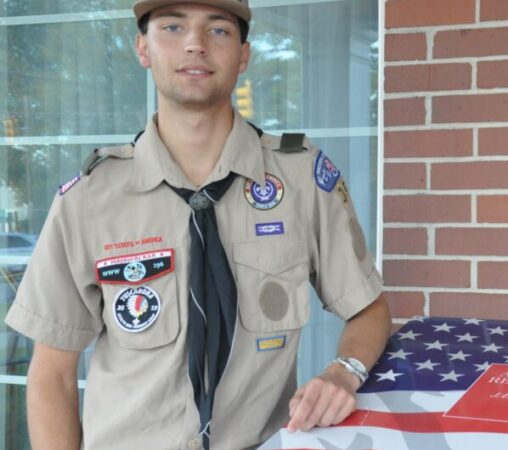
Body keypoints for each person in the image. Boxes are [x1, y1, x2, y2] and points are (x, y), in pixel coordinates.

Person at [4, 0, 391, 448]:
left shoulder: (301, 179)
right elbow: (52, 374)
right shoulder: (90, 198)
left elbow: (368, 307)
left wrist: (344, 372)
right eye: (172, 27)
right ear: (143, 48)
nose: (195, 44)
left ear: (244, 55)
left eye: (219, 30)